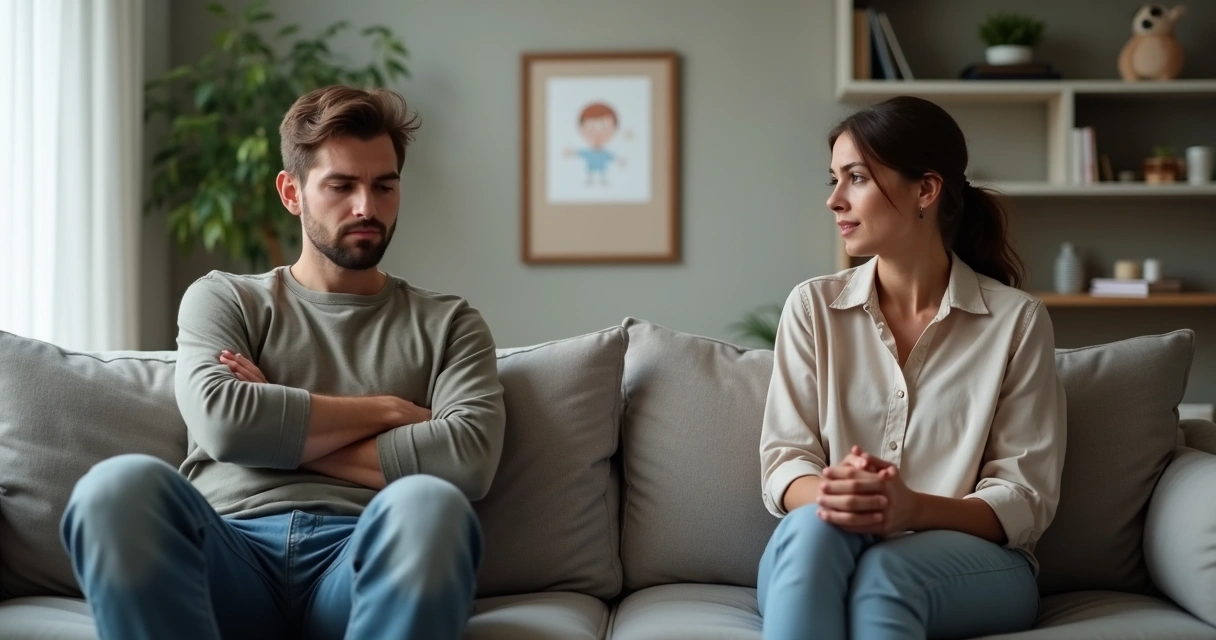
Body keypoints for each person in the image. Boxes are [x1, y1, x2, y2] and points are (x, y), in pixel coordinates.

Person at [60, 85, 506, 640]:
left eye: (384, 186)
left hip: (362, 556)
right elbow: (227, 424)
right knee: (115, 487)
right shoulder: (224, 299)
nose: (367, 206)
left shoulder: (450, 324)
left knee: (430, 503)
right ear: (291, 192)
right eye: (341, 185)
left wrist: (278, 425)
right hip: (229, 552)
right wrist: (393, 410)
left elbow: (468, 460)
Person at [757, 95, 1066, 639]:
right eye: (832, 179)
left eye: (855, 178)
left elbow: (1022, 498)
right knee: (813, 530)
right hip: (818, 548)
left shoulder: (1017, 322)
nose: (833, 200)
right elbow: (785, 460)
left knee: (884, 574)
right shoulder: (812, 308)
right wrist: (837, 495)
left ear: (926, 189)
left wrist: (910, 509)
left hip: (973, 565)